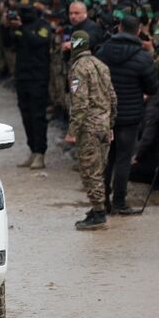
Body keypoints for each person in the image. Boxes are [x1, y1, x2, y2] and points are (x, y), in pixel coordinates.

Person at [96, 15, 159, 214]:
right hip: (130, 117)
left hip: (106, 114)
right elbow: (153, 87)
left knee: (107, 158)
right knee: (123, 159)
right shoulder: (142, 57)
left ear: (120, 27)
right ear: (138, 31)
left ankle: (102, 201)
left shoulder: (103, 51)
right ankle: (119, 203)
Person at [64, 30, 117, 230]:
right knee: (100, 169)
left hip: (89, 128)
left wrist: (72, 131)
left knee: (90, 171)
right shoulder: (101, 65)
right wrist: (111, 124)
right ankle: (97, 208)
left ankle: (99, 214)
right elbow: (112, 97)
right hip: (103, 125)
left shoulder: (78, 68)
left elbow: (80, 104)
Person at [5, 0, 53, 170]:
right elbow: (8, 44)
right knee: (25, 115)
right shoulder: (18, 27)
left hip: (38, 76)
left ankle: (40, 152)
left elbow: (37, 42)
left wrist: (22, 28)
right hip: (22, 76)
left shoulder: (43, 26)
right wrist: (7, 27)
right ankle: (32, 149)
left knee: (37, 115)